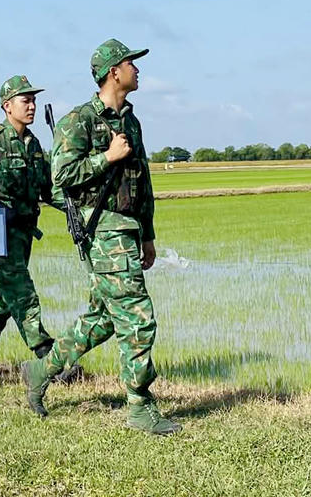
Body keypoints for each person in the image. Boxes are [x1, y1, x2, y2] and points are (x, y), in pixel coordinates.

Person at [20, 39, 181, 436]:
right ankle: (140, 405)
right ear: (114, 72)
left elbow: (141, 183)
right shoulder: (80, 121)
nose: (138, 70)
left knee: (105, 319)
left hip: (127, 229)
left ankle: (41, 370)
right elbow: (60, 178)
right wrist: (106, 157)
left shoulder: (131, 121)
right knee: (138, 319)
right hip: (103, 230)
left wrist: (148, 234)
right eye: (131, 63)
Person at [0, 75, 67, 379]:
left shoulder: (33, 144)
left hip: (24, 231)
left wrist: (78, 207)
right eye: (26, 100)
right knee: (23, 294)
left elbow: (48, 190)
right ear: (7, 106)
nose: (32, 105)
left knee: (2, 295)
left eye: (34, 100)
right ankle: (50, 361)